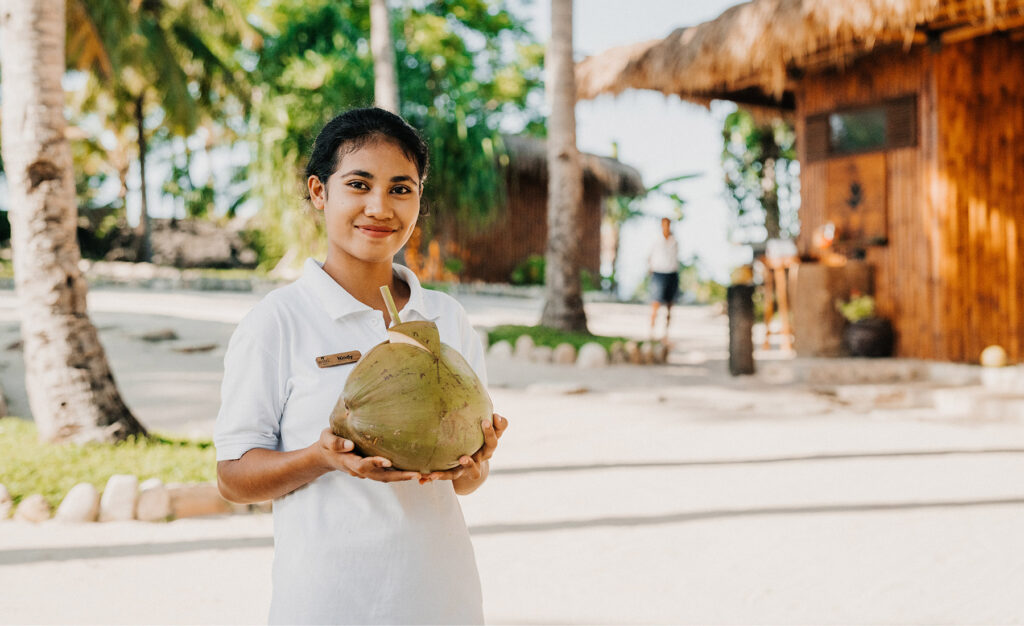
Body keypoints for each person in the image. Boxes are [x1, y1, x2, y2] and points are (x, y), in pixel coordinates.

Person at [214, 107, 508, 625]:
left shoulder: (445, 316)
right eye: (358, 184)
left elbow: (464, 483)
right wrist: (320, 457)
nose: (380, 207)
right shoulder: (277, 322)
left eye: (401, 188)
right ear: (319, 192)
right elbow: (234, 479)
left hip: (442, 601)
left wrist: (474, 461)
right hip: (328, 605)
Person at [648, 217, 679, 341]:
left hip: (671, 273)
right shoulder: (656, 240)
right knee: (655, 303)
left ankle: (666, 334)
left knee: (669, 305)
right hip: (658, 272)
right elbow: (649, 256)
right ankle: (651, 332)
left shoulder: (674, 241)